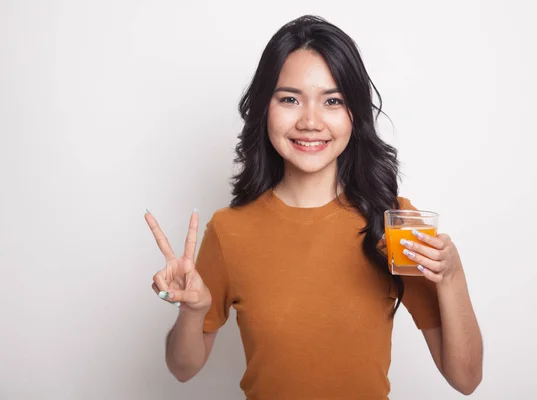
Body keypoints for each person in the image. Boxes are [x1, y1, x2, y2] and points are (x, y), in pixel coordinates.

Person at [145, 14, 483, 399]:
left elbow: (466, 379)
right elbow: (182, 368)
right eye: (289, 98)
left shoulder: (393, 222)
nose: (310, 121)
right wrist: (191, 313)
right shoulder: (229, 230)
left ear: (354, 114)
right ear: (264, 108)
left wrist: (452, 277)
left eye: (332, 101)